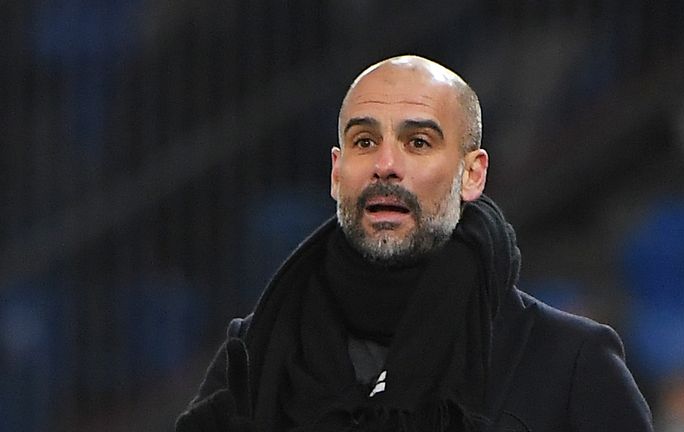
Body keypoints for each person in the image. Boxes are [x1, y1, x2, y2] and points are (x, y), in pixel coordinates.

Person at [175, 55, 653, 432]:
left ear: (472, 173)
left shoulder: (568, 363)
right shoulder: (256, 353)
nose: (386, 164)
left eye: (418, 142)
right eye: (364, 142)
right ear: (337, 173)